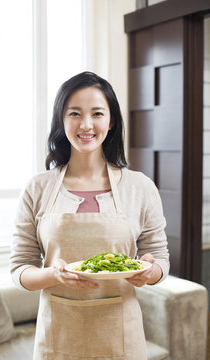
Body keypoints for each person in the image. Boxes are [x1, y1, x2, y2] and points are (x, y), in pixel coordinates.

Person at [10, 71, 169, 360]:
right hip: (58, 337)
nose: (86, 124)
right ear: (61, 120)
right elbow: (20, 269)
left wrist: (150, 270)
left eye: (97, 113)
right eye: (74, 113)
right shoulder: (37, 188)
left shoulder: (140, 187)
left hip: (121, 336)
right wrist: (53, 274)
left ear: (111, 122)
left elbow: (159, 257)